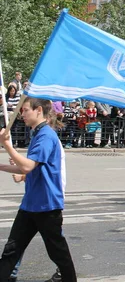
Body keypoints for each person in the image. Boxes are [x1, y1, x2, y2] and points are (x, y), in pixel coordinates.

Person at [0, 97, 77, 282]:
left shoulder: (46, 136)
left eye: (25, 110)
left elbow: (27, 167)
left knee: (58, 253)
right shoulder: (37, 134)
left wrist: (7, 145)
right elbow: (25, 168)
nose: (22, 114)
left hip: (47, 205)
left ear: (39, 110)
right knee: (12, 249)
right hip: (30, 204)